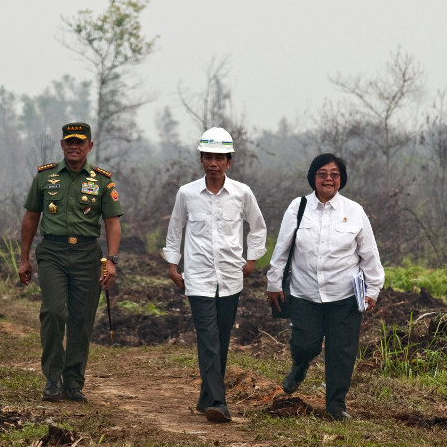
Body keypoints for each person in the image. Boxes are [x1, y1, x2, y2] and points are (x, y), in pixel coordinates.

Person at [267, 153, 384, 421]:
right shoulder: (298, 207)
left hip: (345, 296)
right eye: (322, 174)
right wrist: (274, 282)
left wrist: (373, 289)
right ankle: (300, 365)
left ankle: (336, 406)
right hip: (304, 293)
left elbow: (369, 254)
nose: (328, 179)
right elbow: (282, 248)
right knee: (304, 344)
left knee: (341, 352)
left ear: (341, 179)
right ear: (313, 178)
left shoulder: (354, 211)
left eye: (334, 174)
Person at [163, 127, 267, 423]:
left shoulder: (242, 193)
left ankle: (205, 397)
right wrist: (173, 264)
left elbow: (257, 227)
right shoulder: (187, 193)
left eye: (220, 158)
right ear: (201, 159)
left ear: (229, 162)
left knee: (220, 338)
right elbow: (175, 230)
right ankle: (219, 403)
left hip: (231, 277)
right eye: (208, 157)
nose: (213, 163)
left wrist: (251, 259)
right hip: (197, 278)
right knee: (208, 337)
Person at [18, 122, 123, 403]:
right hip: (52, 252)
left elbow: (112, 223)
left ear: (90, 146)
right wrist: (24, 258)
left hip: (88, 255)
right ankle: (53, 377)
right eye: (69, 142)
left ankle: (73, 383)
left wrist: (111, 260)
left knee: (81, 319)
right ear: (62, 145)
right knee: (53, 312)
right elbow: (31, 217)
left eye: (80, 142)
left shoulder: (102, 181)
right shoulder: (45, 177)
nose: (74, 146)